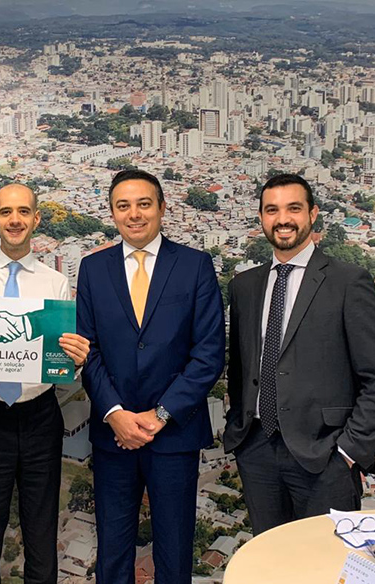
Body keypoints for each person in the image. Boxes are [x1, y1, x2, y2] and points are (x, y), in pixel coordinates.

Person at [76, 169, 225, 584]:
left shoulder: (195, 265)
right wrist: (115, 413)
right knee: (113, 551)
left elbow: (209, 354)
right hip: (113, 434)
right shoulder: (92, 269)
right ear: (112, 212)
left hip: (174, 434)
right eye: (123, 206)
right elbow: (89, 352)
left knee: (175, 553)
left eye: (144, 204)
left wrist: (160, 414)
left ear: (162, 208)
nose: (134, 214)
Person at [225, 173, 375, 534]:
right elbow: (241, 370)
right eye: (272, 210)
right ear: (261, 218)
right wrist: (240, 433)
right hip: (257, 449)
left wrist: (348, 451)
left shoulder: (348, 281)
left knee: (321, 566)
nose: (283, 219)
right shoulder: (244, 287)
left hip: (325, 455)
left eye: (294, 208)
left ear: (313, 214)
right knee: (272, 562)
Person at [0, 183, 89, 584]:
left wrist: (77, 361)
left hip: (40, 417)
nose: (14, 220)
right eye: (6, 212)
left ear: (35, 219)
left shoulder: (54, 283)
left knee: (41, 532)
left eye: (23, 212)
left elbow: (59, 362)